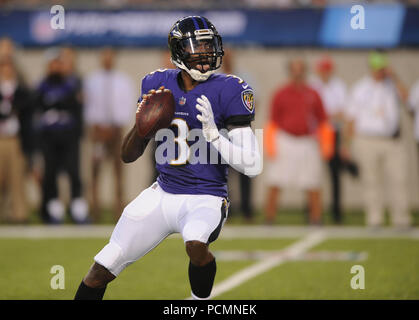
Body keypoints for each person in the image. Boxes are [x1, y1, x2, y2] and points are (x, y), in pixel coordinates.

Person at [74, 15, 262, 300]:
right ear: (178, 51)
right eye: (197, 47)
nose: (206, 53)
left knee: (196, 244)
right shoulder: (156, 83)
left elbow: (253, 164)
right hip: (162, 192)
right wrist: (142, 127)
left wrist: (214, 136)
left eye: (209, 46)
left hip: (206, 196)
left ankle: (201, 296)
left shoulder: (231, 89)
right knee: (102, 267)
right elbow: (128, 155)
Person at [344, 51, 411, 228]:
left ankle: (401, 219)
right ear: (371, 68)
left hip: (392, 141)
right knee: (371, 181)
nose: (380, 72)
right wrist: (346, 144)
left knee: (398, 179)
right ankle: (375, 219)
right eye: (377, 69)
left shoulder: (392, 86)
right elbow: (350, 118)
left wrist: (395, 78)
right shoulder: (360, 88)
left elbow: (409, 100)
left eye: (382, 69)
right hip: (367, 140)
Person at [264, 58, 333, 225]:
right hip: (285, 140)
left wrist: (326, 145)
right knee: (275, 180)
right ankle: (269, 218)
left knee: (313, 181)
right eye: (294, 69)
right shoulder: (280, 93)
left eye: (300, 69)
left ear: (305, 71)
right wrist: (270, 145)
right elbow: (272, 121)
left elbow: (323, 120)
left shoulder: (313, 93)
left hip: (308, 141)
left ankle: (316, 218)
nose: (297, 73)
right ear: (290, 72)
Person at [34, 49, 88, 224]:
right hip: (49, 138)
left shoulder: (72, 85)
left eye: (59, 63)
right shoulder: (42, 86)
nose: (56, 67)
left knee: (73, 172)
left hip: (69, 137)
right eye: (53, 64)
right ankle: (54, 211)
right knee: (51, 173)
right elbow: (36, 109)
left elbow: (77, 109)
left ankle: (77, 210)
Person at [83, 48, 135, 222]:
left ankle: (118, 209)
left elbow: (127, 104)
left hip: (116, 130)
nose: (107, 60)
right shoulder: (92, 81)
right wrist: (96, 126)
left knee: (118, 171)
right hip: (98, 131)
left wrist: (116, 126)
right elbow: (88, 105)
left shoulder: (123, 81)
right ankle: (94, 209)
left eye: (110, 57)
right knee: (95, 171)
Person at [310, 55, 358, 224]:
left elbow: (344, 114)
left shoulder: (339, 86)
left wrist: (329, 117)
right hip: (317, 134)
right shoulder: (312, 85)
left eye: (327, 70)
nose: (324, 73)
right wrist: (329, 115)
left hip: (333, 133)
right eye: (322, 70)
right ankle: (312, 213)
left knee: (335, 174)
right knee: (312, 175)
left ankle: (337, 212)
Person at [0, 57, 33, 223]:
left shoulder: (21, 91)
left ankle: (19, 214)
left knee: (17, 177)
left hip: (15, 139)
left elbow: (27, 115)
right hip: (1, 138)